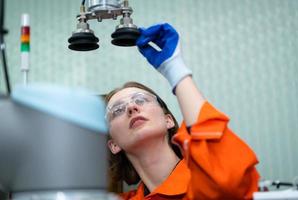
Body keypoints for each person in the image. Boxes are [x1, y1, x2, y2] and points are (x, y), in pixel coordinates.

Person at [105, 23, 260, 199]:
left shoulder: (200, 180)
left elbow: (227, 183)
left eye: (141, 100)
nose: (132, 108)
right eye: (117, 110)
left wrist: (175, 69)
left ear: (168, 120)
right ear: (114, 145)